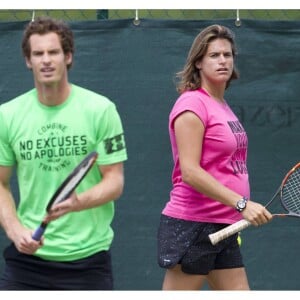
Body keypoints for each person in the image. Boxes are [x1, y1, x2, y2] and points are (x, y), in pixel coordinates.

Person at [0, 16, 127, 290]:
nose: (46, 60)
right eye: (38, 53)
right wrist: (15, 231)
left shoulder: (100, 110)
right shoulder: (7, 116)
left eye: (53, 52)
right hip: (27, 263)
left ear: (67, 57)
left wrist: (78, 201)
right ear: (28, 60)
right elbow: (0, 183)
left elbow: (114, 181)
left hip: (88, 262)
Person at [157, 24, 273, 290]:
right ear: (198, 62)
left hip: (224, 226)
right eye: (214, 55)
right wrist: (243, 204)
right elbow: (190, 171)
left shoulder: (221, 105)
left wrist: (237, 208)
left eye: (228, 55)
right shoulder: (191, 105)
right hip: (193, 226)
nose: (223, 60)